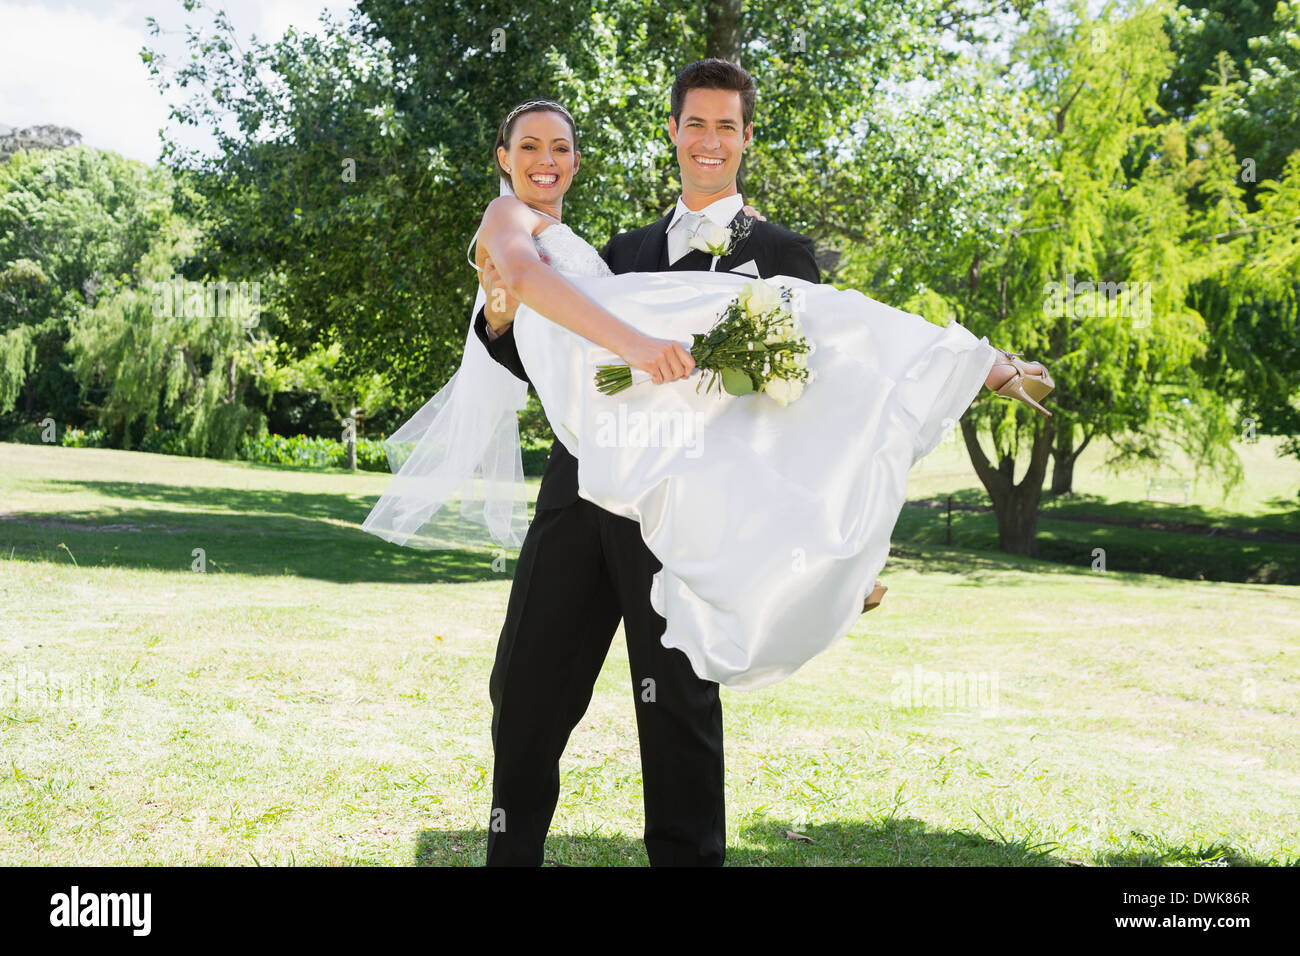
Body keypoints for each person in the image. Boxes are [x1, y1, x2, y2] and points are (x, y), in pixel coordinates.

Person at [362, 61, 1054, 867]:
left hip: (691, 521)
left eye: (727, 126)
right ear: (674, 133)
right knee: (525, 694)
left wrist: (839, 553)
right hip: (582, 496)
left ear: (746, 138)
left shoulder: (785, 254)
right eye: (696, 124)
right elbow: (552, 367)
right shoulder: (620, 248)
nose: (710, 141)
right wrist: (506, 316)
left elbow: (821, 406)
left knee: (680, 715)